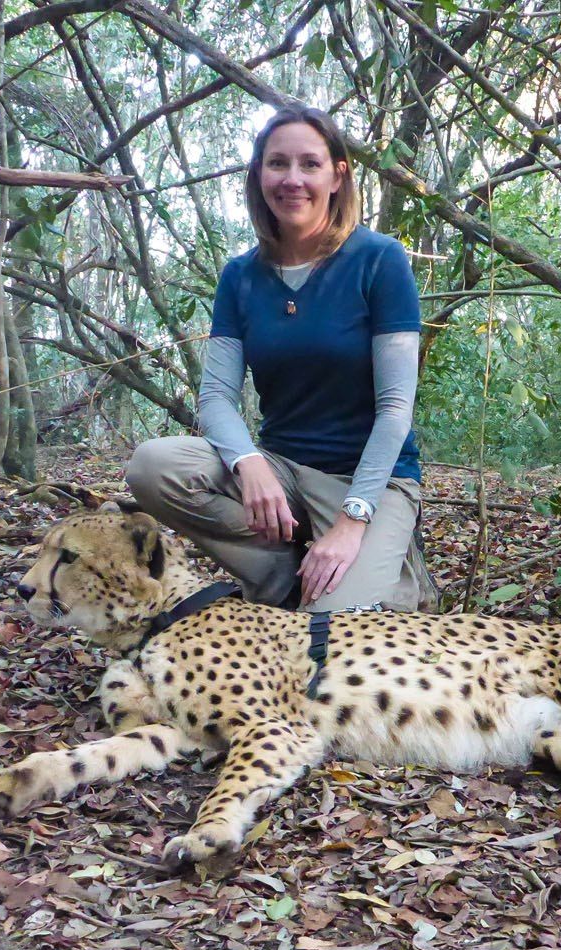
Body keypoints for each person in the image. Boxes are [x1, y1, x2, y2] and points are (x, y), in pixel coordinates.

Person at [127, 107, 431, 613]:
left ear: (338, 175)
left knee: (337, 634)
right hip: (281, 470)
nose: (292, 179)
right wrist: (248, 463)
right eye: (277, 164)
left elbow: (396, 406)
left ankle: (393, 579)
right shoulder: (241, 276)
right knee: (153, 465)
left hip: (367, 481)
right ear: (259, 175)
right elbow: (218, 396)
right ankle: (280, 578)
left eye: (309, 164)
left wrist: (353, 520)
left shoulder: (379, 260)